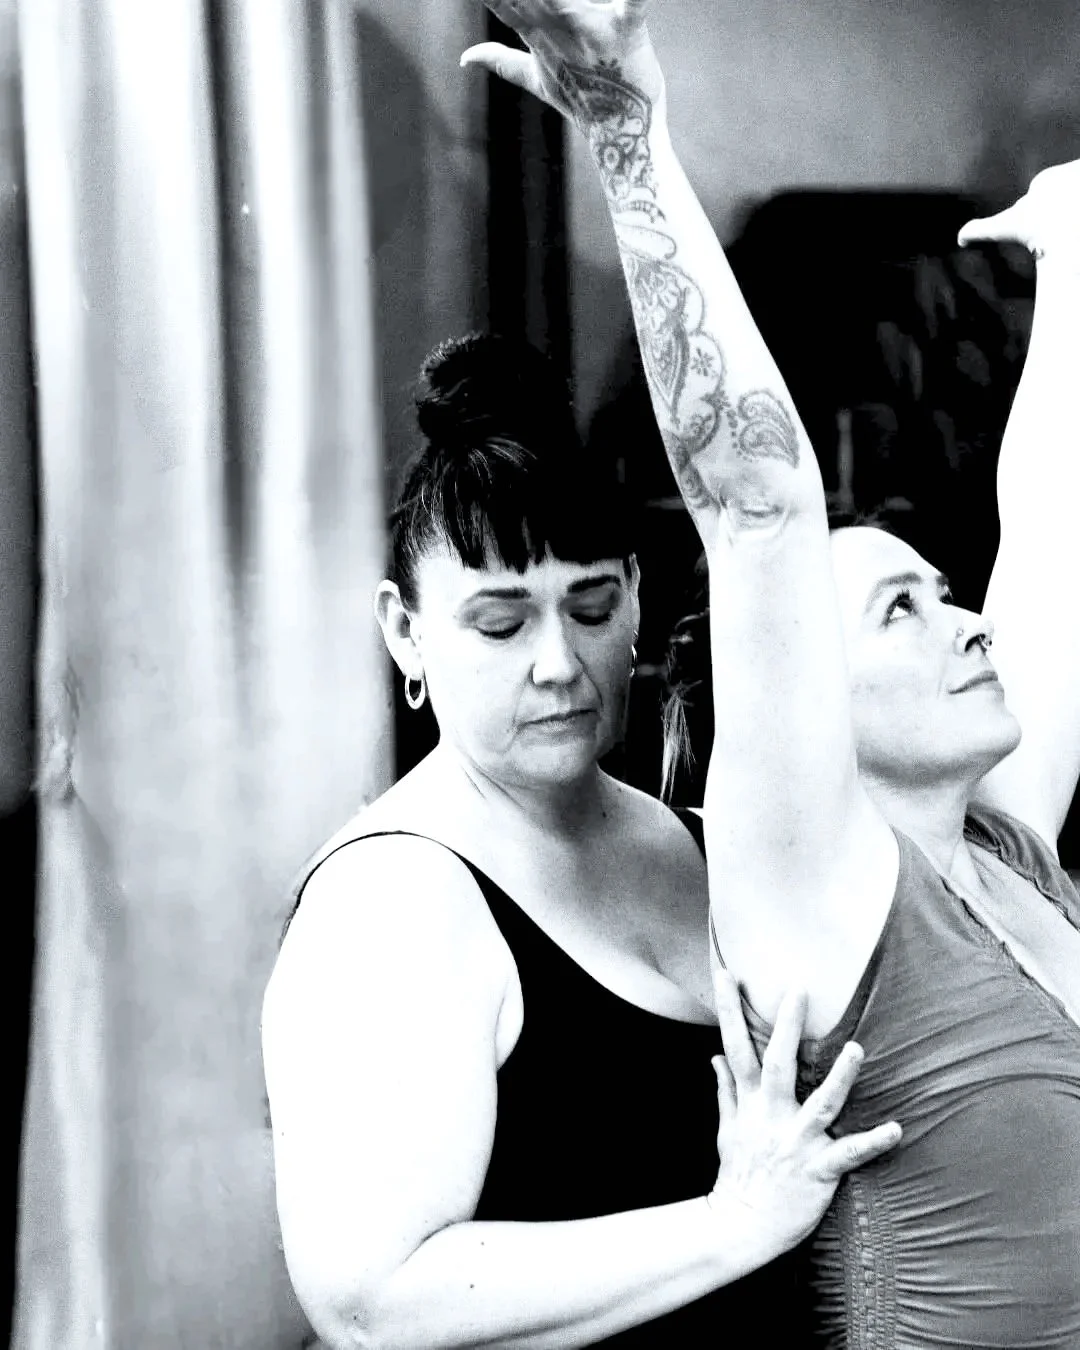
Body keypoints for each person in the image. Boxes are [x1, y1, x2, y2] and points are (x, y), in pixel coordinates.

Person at [463, 1, 1080, 1344]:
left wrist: (1078, 262)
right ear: (812, 711)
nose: (966, 621)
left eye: (944, 591)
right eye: (898, 611)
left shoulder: (1007, 847)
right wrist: (628, 141)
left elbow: (1053, 527)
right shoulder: (822, 892)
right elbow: (756, 505)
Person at [260, 330, 900, 1348]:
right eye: (500, 624)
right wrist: (730, 1227)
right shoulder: (393, 900)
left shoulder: (696, 835)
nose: (558, 663)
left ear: (638, 600)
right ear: (403, 631)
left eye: (590, 607)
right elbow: (370, 1301)